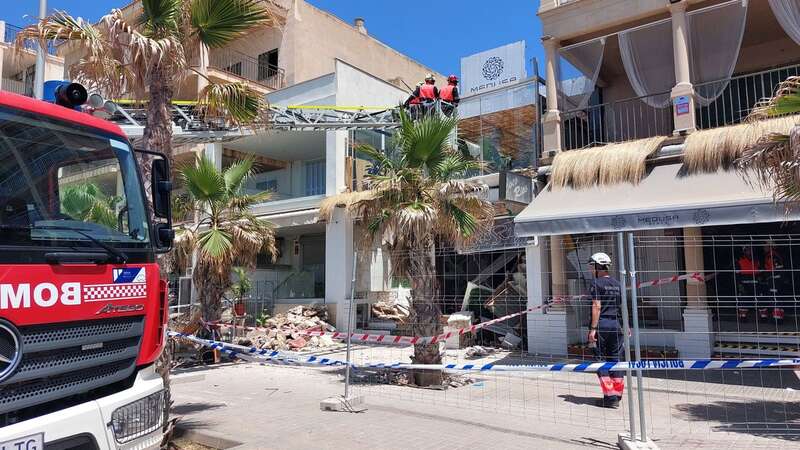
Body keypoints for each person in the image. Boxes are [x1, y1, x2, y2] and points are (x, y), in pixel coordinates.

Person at [586, 252, 625, 408]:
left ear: (598, 266)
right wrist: (626, 326)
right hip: (616, 325)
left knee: (601, 362)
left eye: (591, 266)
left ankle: (610, 398)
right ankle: (617, 394)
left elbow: (596, 306)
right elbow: (622, 307)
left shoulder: (596, 283)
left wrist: (593, 329)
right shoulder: (617, 283)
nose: (590, 269)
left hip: (602, 325)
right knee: (616, 361)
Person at [761, 240, 786, 322]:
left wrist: (771, 276)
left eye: (765, 246)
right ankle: (778, 317)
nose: (763, 247)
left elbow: (779, 268)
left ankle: (777, 319)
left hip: (775, 280)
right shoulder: (769, 255)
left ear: (770, 246)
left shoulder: (773, 255)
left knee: (775, 298)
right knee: (775, 298)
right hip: (773, 279)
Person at [735, 245, 760, 320]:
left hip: (754, 281)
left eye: (750, 250)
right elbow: (737, 273)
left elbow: (759, 270)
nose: (749, 251)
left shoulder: (756, 260)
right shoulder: (739, 260)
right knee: (744, 299)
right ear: (744, 251)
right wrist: (739, 283)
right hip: (744, 281)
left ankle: (763, 317)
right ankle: (743, 317)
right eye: (748, 250)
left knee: (759, 299)